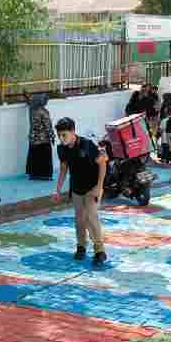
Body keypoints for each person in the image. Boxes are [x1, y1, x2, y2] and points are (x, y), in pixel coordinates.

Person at [54, 117, 108, 266]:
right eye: (59, 135)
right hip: (77, 188)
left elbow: (102, 163)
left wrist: (99, 187)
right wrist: (58, 190)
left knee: (91, 217)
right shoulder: (62, 148)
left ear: (73, 132)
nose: (61, 138)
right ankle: (81, 246)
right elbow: (64, 168)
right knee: (79, 219)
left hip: (92, 187)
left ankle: (99, 250)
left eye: (64, 135)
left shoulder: (87, 145)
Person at [25, 93, 55, 181]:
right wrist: (52, 136)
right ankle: (45, 175)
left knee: (34, 157)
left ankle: (33, 174)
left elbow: (30, 101)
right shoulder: (43, 112)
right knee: (45, 158)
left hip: (33, 138)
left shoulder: (32, 109)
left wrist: (27, 96)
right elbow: (48, 126)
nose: (45, 102)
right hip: (43, 139)